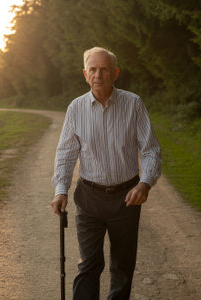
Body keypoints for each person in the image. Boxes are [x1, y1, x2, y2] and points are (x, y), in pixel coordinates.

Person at [51, 46, 161, 300]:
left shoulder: (133, 103)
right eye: (93, 69)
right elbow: (66, 154)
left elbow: (151, 149)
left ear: (115, 73)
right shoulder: (75, 108)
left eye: (104, 69)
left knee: (122, 266)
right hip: (90, 198)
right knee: (89, 265)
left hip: (127, 197)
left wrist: (145, 184)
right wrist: (60, 190)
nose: (98, 74)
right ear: (85, 74)